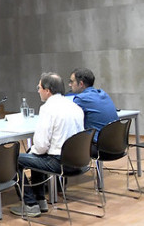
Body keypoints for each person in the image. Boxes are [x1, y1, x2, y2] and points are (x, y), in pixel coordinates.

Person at [10, 72, 84, 218]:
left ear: (47, 90)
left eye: (39, 88)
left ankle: (30, 204)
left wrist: (33, 152)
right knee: (35, 152)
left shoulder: (47, 109)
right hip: (78, 160)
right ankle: (40, 199)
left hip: (59, 162)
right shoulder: (75, 106)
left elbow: (42, 145)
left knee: (13, 159)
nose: (38, 91)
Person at [66, 68, 118, 142]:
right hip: (115, 143)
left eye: (71, 81)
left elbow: (68, 119)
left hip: (97, 145)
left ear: (81, 84)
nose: (69, 85)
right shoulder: (103, 93)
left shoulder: (81, 99)